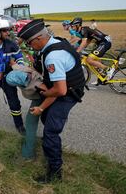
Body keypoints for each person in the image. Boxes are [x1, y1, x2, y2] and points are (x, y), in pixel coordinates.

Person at [18, 19, 85, 183]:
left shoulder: (52, 57)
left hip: (67, 94)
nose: (29, 47)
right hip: (69, 88)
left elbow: (59, 91)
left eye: (29, 43)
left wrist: (42, 103)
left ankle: (54, 174)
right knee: (47, 118)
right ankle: (50, 146)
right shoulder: (56, 42)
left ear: (38, 39)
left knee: (50, 132)